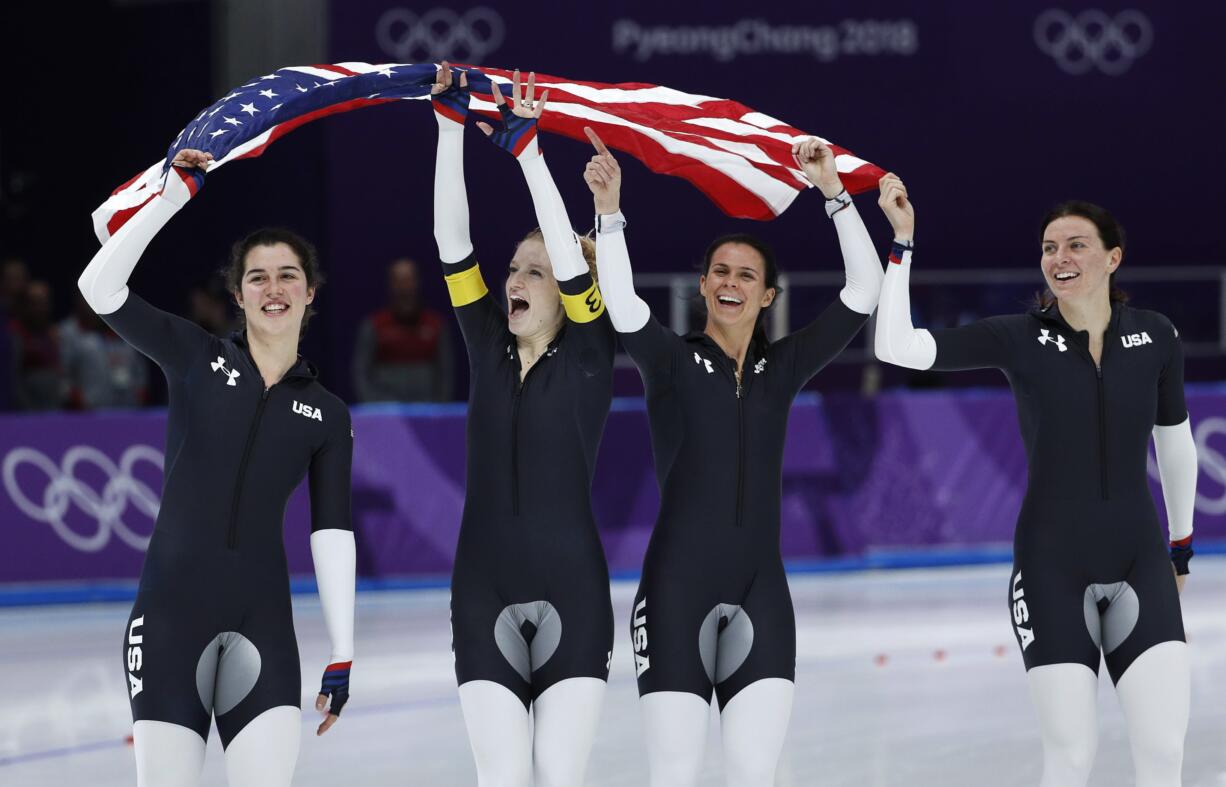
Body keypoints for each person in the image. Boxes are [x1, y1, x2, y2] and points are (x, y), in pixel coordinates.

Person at [872, 176, 1196, 787]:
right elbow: (895, 346)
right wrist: (902, 242)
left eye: (1076, 245)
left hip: (1140, 561)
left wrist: (1180, 546)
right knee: (1070, 757)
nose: (1060, 259)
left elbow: (1173, 439)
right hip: (1051, 568)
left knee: (1163, 754)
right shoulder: (1018, 338)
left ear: (1112, 257)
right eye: (1049, 248)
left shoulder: (1155, 334)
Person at [586, 129, 883, 786]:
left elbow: (865, 289)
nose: (731, 282)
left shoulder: (785, 367)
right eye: (720, 271)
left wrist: (833, 191)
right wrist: (610, 213)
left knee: (756, 774)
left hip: (762, 594)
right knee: (675, 775)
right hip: (672, 594)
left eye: (746, 274)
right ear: (701, 285)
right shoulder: (670, 360)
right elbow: (626, 302)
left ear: (768, 296)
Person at [77, 149, 356, 787]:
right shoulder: (195, 358)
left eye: (288, 276)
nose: (274, 289)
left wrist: (342, 651)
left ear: (310, 294)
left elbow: (332, 531)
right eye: (257, 277)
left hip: (265, 626)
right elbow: (99, 289)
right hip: (170, 619)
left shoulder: (327, 414)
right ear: (237, 294)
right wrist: (169, 199)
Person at [431, 65, 615, 787]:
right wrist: (449, 129)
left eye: (534, 272)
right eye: (515, 267)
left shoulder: (594, 352)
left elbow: (577, 271)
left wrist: (532, 156)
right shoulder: (486, 343)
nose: (515, 279)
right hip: (480, 590)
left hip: (574, 592)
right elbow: (453, 241)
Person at [352, 257, 454, 402]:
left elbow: (446, 374)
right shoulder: (374, 325)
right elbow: (361, 373)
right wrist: (375, 407)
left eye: (408, 280)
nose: (405, 288)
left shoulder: (436, 325)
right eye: (399, 281)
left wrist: (438, 409)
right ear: (391, 285)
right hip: (385, 412)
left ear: (417, 283)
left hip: (427, 410)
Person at [60, 291, 149, 409]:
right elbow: (67, 377)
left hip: (127, 411)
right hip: (92, 412)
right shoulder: (85, 343)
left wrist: (138, 400)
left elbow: (141, 378)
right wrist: (79, 401)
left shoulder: (131, 345)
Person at [9, 279, 67, 410]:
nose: (40, 308)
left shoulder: (53, 334)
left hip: (54, 408)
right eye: (35, 303)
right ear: (24, 305)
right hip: (26, 411)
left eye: (44, 303)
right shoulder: (14, 335)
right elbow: (13, 382)